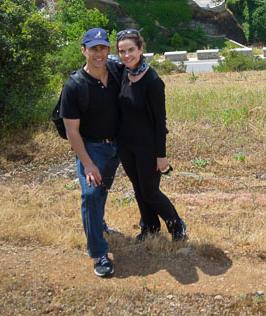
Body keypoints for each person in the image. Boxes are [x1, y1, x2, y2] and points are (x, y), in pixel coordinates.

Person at [60, 27, 122, 278]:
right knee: (90, 194)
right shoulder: (74, 86)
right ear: (84, 50)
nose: (99, 53)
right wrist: (87, 163)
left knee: (102, 190)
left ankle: (98, 224)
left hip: (116, 146)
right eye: (93, 48)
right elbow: (72, 131)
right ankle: (98, 254)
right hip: (91, 148)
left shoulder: (117, 72)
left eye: (103, 48)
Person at [115, 29, 187, 241]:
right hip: (126, 146)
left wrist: (161, 155)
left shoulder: (153, 81)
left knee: (150, 192)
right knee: (138, 190)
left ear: (141, 49)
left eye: (131, 50)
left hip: (147, 147)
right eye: (122, 51)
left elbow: (159, 122)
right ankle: (150, 227)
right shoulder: (123, 74)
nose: (127, 55)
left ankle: (177, 226)